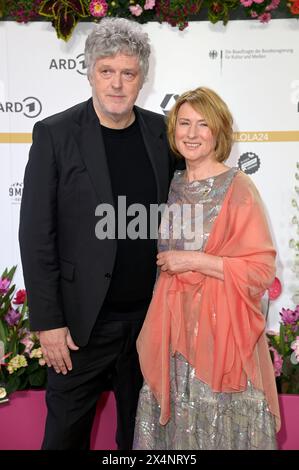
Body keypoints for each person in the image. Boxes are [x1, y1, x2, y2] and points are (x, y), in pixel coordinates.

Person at [19, 17, 174, 450]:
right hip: (80, 327)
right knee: (64, 439)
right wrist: (48, 323)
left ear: (143, 77)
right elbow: (35, 236)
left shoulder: (162, 133)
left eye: (129, 73)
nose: (118, 84)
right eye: (107, 71)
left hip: (149, 322)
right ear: (89, 72)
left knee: (143, 441)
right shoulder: (55, 134)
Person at [133, 87, 281, 450]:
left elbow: (261, 271)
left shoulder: (239, 187)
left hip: (221, 344)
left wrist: (194, 261)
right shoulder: (171, 184)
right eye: (184, 123)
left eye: (203, 124)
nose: (192, 133)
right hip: (172, 337)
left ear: (219, 131)